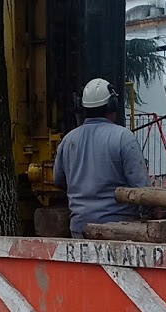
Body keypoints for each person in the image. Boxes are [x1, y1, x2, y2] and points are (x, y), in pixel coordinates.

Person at [53, 78, 150, 238]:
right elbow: (142, 188)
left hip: (79, 228)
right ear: (113, 105)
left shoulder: (68, 140)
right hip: (119, 230)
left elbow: (58, 180)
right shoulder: (123, 137)